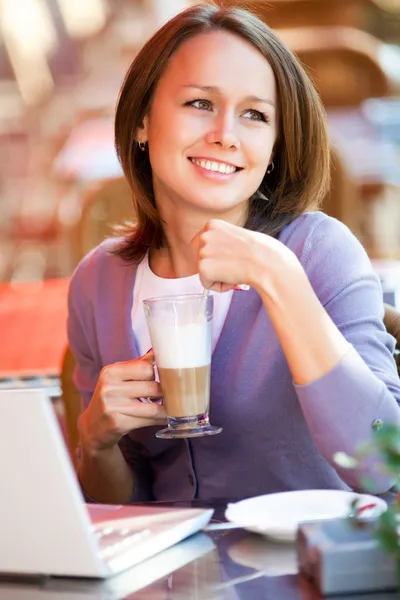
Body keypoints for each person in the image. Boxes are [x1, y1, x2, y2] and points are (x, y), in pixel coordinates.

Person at [68, 2, 400, 505]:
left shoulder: (319, 252)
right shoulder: (98, 281)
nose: (225, 134)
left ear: (273, 149)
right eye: (200, 103)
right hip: (179, 582)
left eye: (254, 115)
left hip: (309, 574)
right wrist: (95, 442)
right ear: (141, 120)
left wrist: (278, 276)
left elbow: (382, 466)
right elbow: (124, 507)